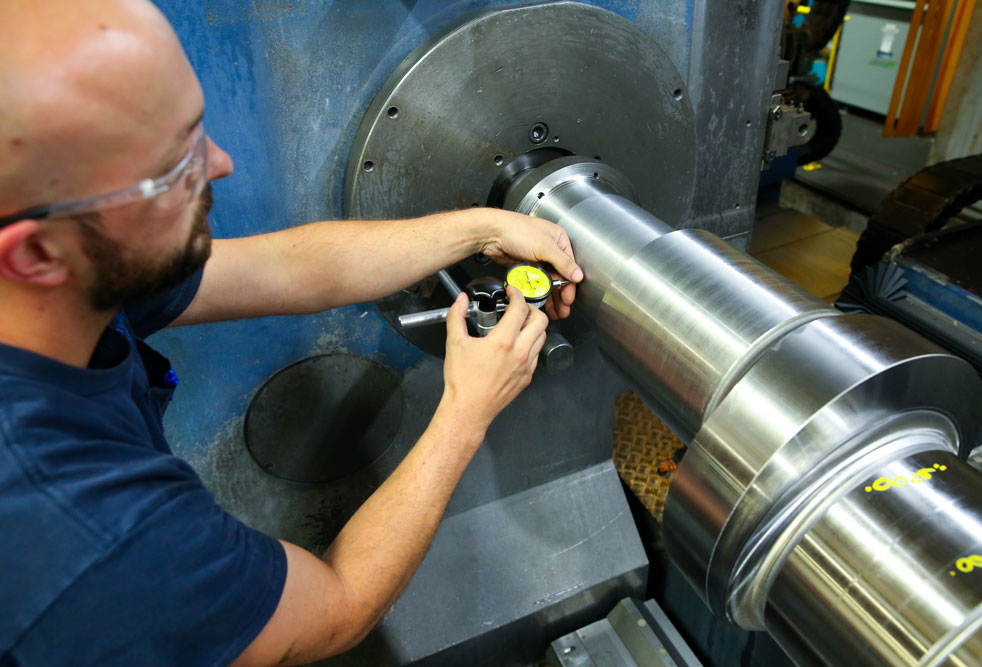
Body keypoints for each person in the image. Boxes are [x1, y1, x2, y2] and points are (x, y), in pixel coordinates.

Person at [0, 1, 584, 664]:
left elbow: (286, 269)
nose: (220, 163)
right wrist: (466, 410)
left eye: (198, 130)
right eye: (176, 166)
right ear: (36, 255)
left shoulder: (59, 277)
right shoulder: (89, 536)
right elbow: (334, 608)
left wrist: (481, 228)